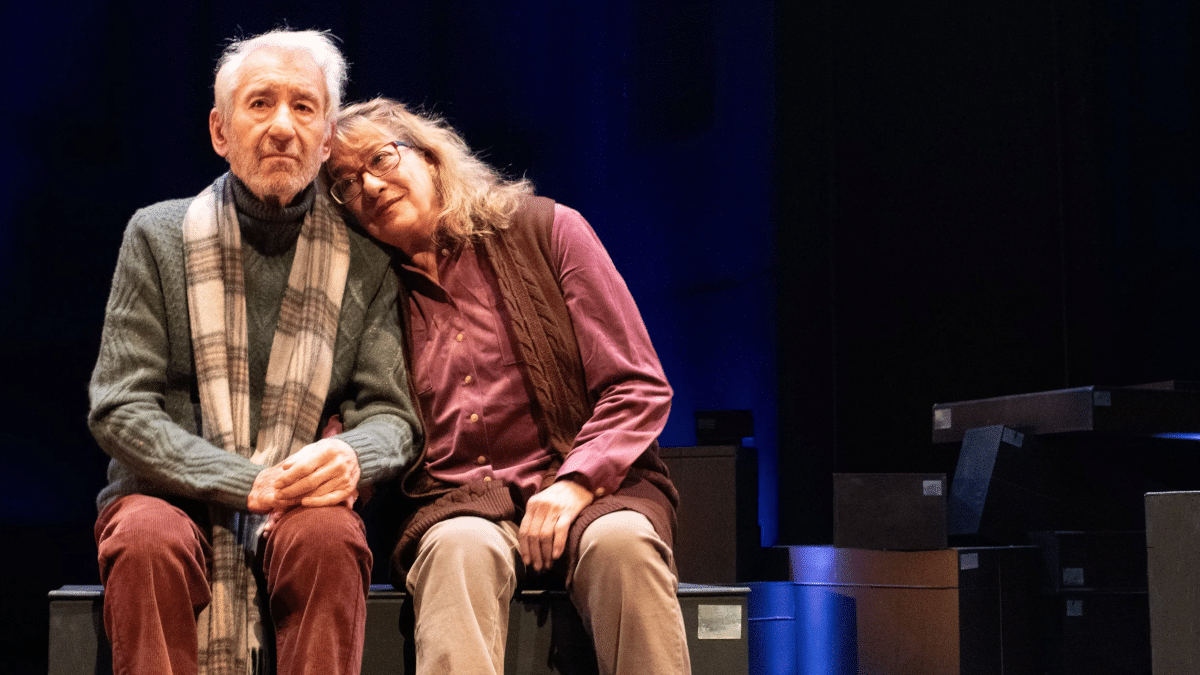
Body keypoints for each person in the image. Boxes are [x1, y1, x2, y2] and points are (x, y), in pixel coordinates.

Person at [88, 31, 419, 675]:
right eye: (260, 103)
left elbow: (393, 417)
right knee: (146, 540)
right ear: (220, 130)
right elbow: (120, 408)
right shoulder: (155, 235)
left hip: (301, 502)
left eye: (303, 107)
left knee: (330, 539)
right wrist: (248, 484)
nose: (282, 128)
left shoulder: (368, 262)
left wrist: (353, 456)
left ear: (326, 140)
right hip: (167, 496)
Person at [323, 97, 691, 675]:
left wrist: (575, 484)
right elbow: (361, 412)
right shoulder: (367, 295)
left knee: (623, 546)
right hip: (454, 505)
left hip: (594, 491)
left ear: (431, 156)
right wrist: (337, 463)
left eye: (380, 159)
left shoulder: (547, 230)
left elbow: (635, 385)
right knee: (457, 552)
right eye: (345, 183)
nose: (368, 185)